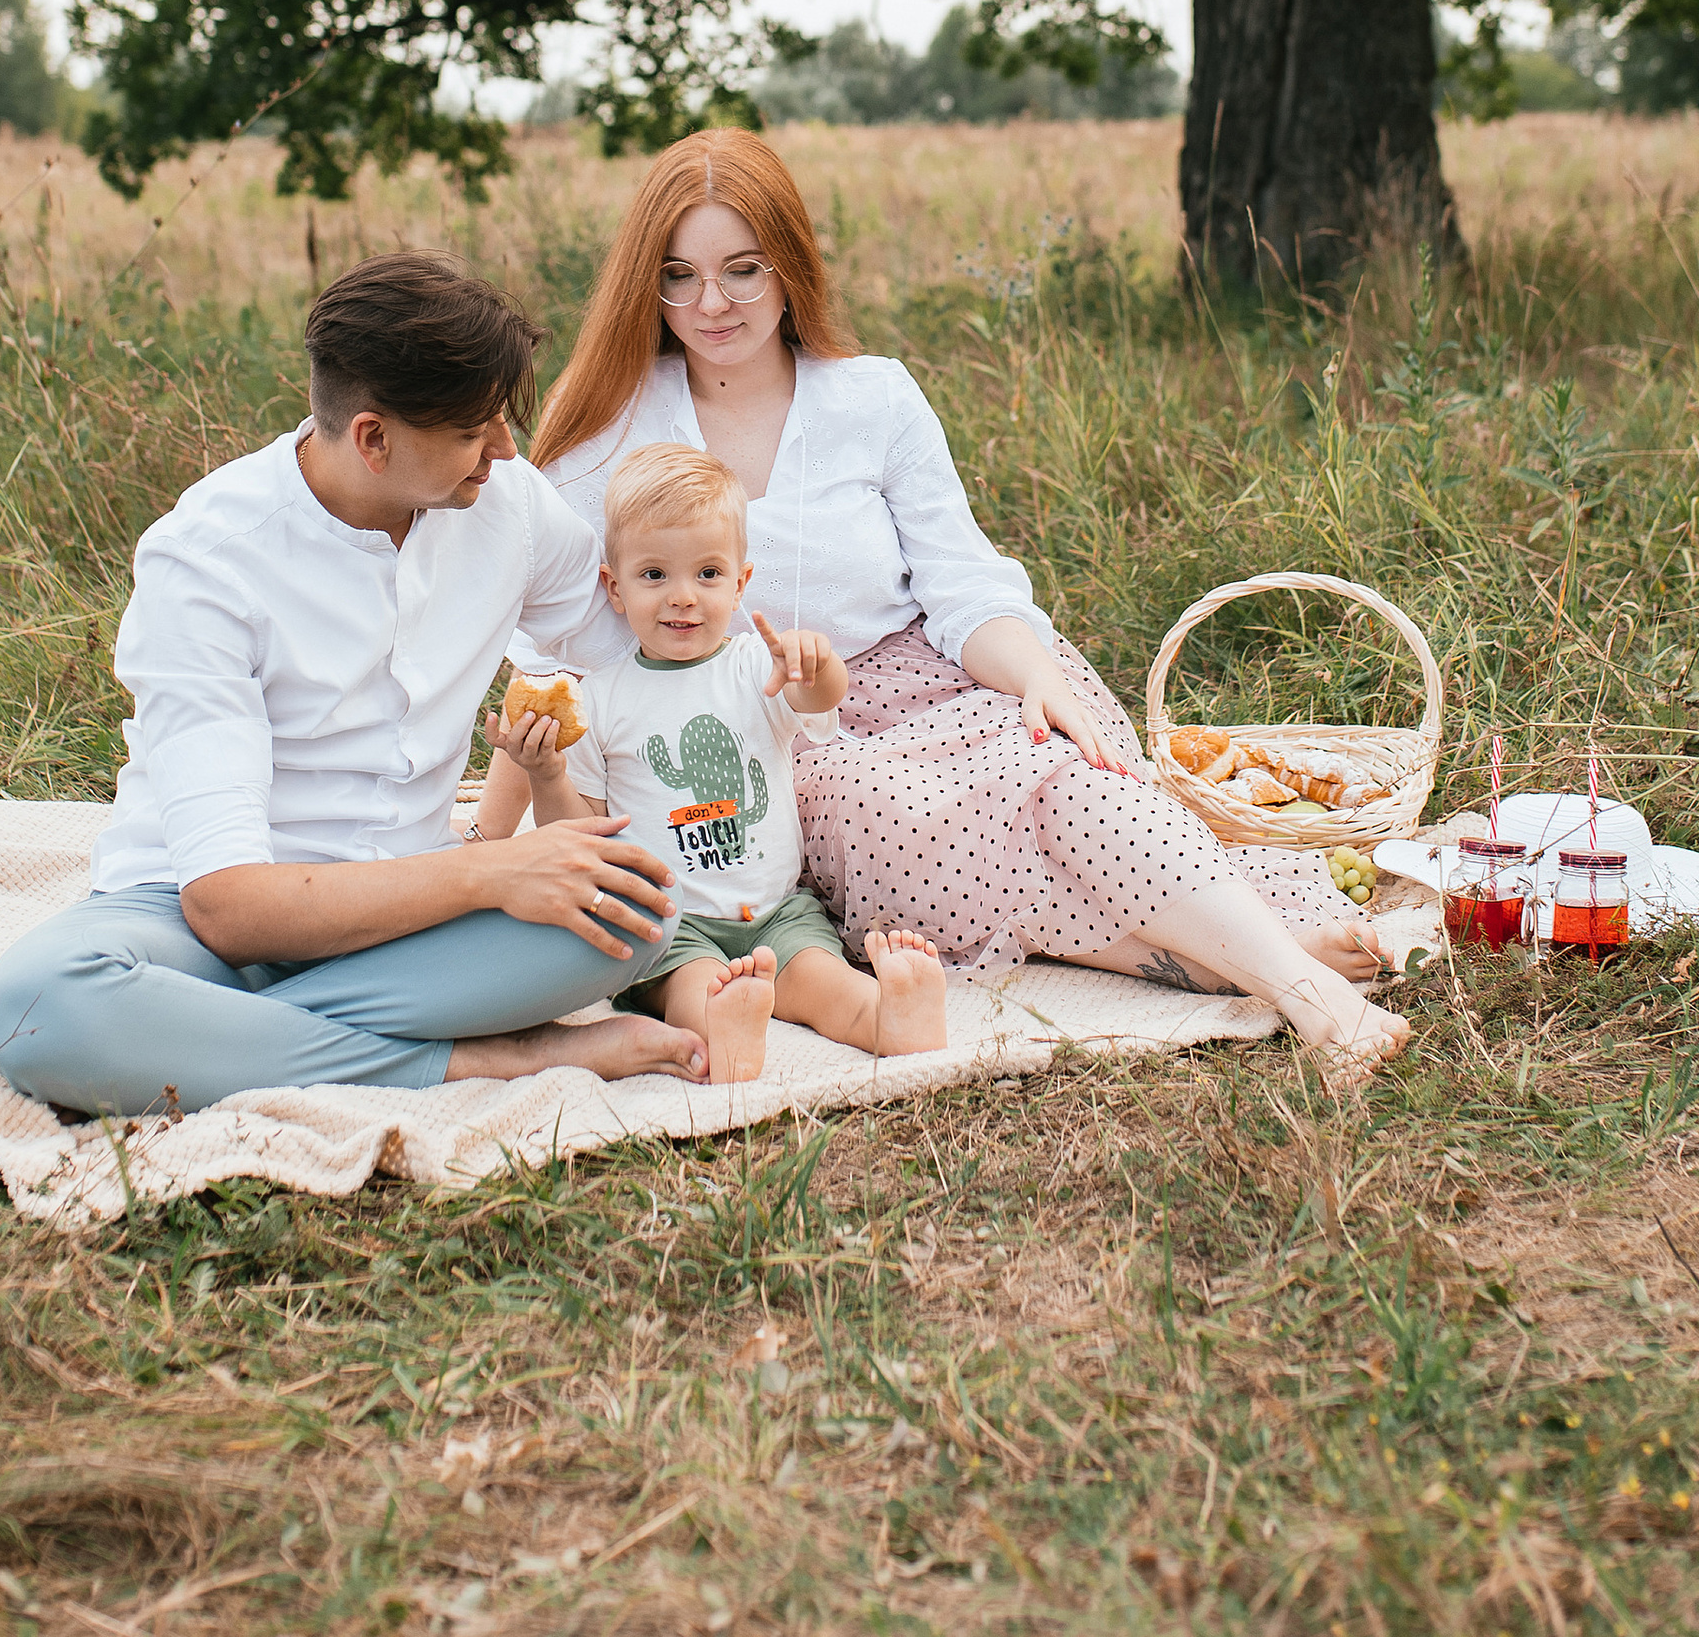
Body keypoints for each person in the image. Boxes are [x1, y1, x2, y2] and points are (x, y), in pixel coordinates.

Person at [526, 129, 1408, 1092]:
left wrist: (1034, 674)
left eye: (742, 268)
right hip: (781, 733)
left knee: (1067, 779)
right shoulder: (613, 422)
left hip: (936, 677)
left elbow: (963, 583)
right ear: (646, 287)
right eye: (679, 276)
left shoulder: (874, 397)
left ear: (791, 266)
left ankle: (1311, 999)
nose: (712, 303)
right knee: (903, 813)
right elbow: (561, 611)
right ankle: (1245, 946)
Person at [0, 253, 711, 1119]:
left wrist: (773, 678)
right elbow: (228, 907)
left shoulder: (508, 506)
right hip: (194, 926)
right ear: (373, 438)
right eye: (476, 432)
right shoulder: (206, 560)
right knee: (36, 1008)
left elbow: (629, 642)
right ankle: (481, 1060)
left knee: (636, 908)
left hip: (405, 921)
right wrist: (492, 873)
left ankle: (216, 1042)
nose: (506, 451)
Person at [477, 441, 949, 1084]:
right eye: (654, 576)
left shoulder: (758, 666)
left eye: (706, 574)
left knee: (825, 983)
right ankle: (725, 1032)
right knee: (694, 991)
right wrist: (546, 774)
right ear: (614, 588)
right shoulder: (601, 698)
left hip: (777, 908)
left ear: (740, 582)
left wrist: (815, 664)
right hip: (671, 923)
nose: (682, 598)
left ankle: (892, 1017)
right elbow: (577, 830)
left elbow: (820, 699)